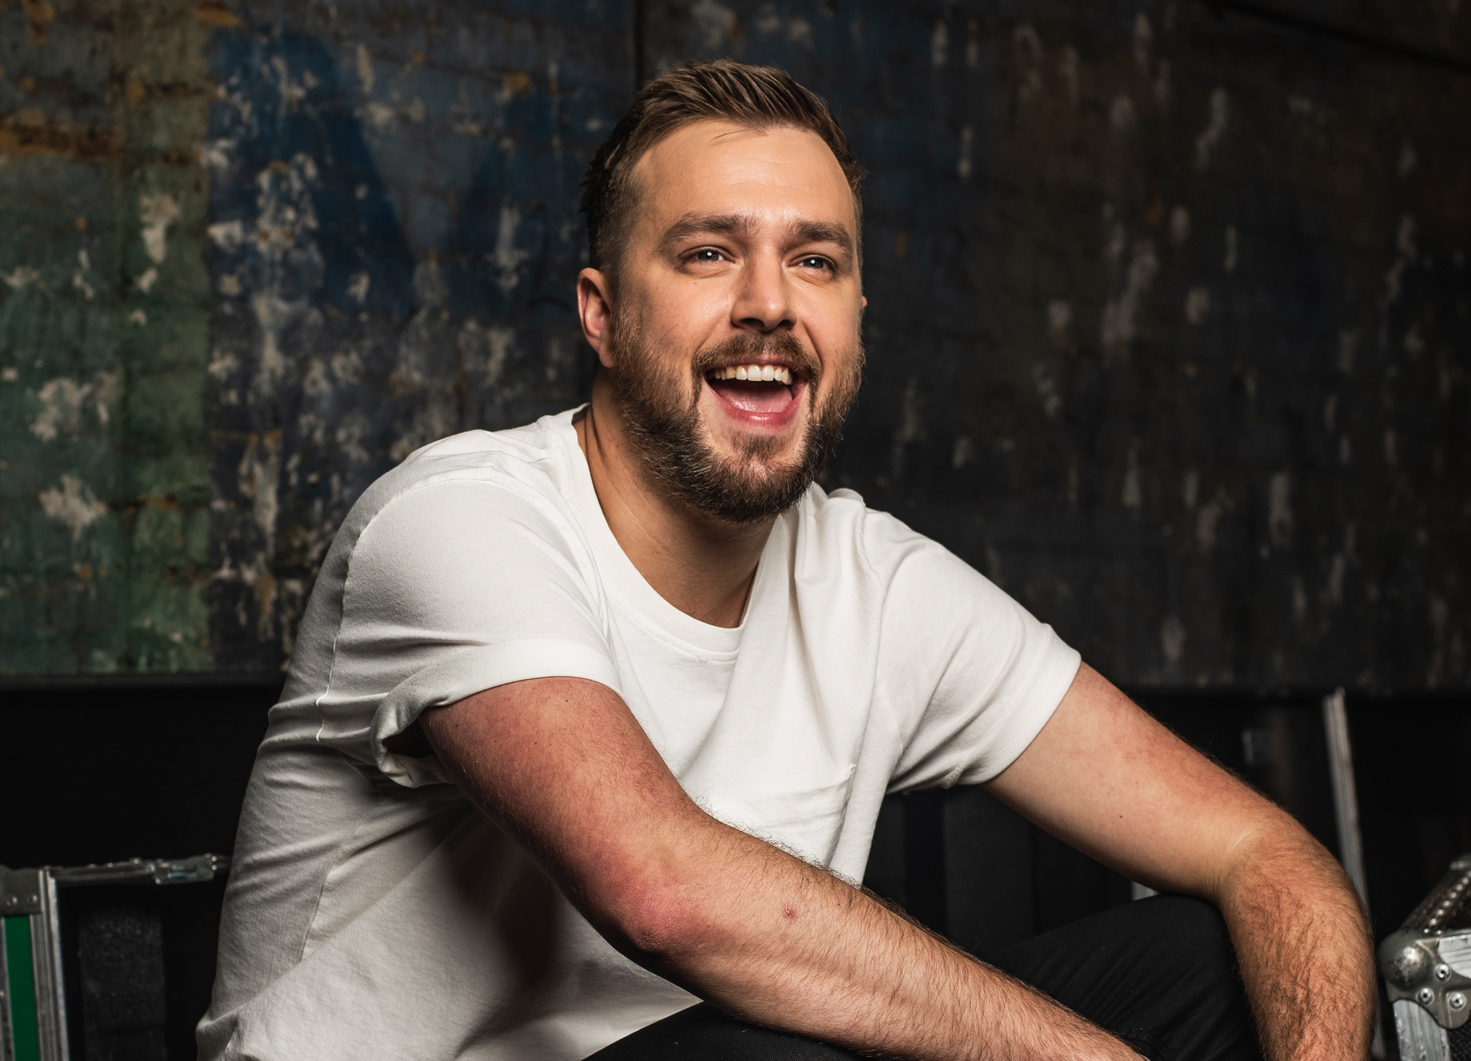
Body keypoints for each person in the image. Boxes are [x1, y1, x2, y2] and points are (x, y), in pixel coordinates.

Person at [198, 59, 1374, 1061]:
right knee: (783, 1038)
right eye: (709, 253)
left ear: (858, 310)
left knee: (1211, 956)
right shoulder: (454, 521)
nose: (768, 304)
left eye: (813, 261)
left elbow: (1263, 851)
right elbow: (663, 890)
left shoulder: (875, 581)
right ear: (601, 314)